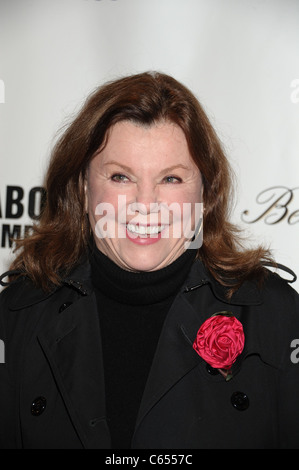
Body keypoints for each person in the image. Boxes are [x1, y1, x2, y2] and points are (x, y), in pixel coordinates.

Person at [0, 71, 299, 450]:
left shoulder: (277, 315)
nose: (145, 204)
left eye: (171, 179)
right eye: (121, 177)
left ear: (205, 193)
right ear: (82, 188)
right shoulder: (16, 317)